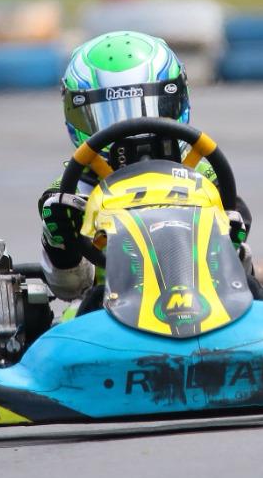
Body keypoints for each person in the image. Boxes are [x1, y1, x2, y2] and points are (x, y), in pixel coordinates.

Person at [38, 30, 250, 316]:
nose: (130, 130)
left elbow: (239, 274)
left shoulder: (206, 177)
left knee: (259, 292)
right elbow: (69, 287)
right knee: (68, 321)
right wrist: (61, 243)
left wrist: (229, 242)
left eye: (145, 109)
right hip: (110, 311)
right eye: (108, 115)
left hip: (208, 303)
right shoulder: (70, 192)